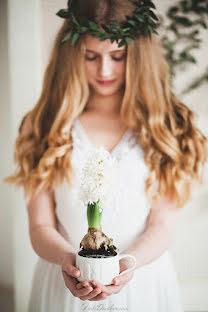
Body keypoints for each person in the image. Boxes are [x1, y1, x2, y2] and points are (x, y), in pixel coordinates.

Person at [4, 0, 208, 311]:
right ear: (72, 56)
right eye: (91, 57)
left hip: (142, 279)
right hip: (64, 281)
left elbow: (161, 224)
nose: (104, 70)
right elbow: (40, 225)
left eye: (118, 56)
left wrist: (128, 263)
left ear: (138, 57)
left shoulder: (168, 126)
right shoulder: (45, 124)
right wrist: (68, 260)